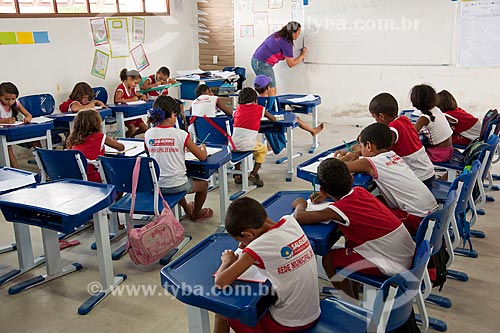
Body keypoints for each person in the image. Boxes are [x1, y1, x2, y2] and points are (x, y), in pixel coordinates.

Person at [292, 158, 415, 299]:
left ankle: (350, 300)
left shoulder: (338, 209)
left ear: (322, 190)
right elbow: (349, 204)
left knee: (329, 259)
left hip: (393, 263)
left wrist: (300, 203)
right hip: (405, 253)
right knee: (350, 243)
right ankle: (354, 288)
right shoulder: (359, 191)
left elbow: (300, 217)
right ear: (351, 178)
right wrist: (327, 195)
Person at [214, 197, 320, 333]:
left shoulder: (259, 246)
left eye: (239, 239)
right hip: (312, 312)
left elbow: (221, 282)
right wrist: (248, 243)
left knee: (222, 313)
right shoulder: (290, 221)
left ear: (247, 234)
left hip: (288, 324)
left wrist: (227, 261)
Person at [333, 123, 437, 235]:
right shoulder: (393, 156)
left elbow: (335, 167)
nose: (361, 150)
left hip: (418, 220)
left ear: (368, 146)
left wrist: (348, 156)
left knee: (364, 218)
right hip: (430, 213)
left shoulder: (371, 163)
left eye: (361, 146)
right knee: (376, 200)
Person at [144, 95, 213, 222]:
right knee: (203, 184)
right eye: (175, 116)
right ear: (171, 114)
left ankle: (188, 211)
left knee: (176, 178)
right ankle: (196, 213)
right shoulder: (181, 134)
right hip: (177, 184)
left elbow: (150, 154)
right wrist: (202, 148)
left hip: (157, 184)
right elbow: (202, 157)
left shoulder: (148, 134)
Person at [232, 87, 277, 187]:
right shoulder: (259, 109)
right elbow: (273, 119)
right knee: (262, 149)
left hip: (232, 144)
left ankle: (237, 174)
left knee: (238, 150)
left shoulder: (237, 110)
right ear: (255, 100)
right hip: (247, 144)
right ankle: (254, 174)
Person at [254, 75, 323, 136]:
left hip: (260, 124)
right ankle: (313, 131)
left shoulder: (254, 101)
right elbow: (277, 111)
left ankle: (313, 131)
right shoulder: (272, 100)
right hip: (274, 124)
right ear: (268, 88)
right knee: (296, 118)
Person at [66, 109, 124, 182]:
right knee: (120, 178)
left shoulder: (72, 138)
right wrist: (114, 141)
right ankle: (114, 193)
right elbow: (121, 148)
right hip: (93, 175)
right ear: (97, 123)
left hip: (76, 175)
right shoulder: (100, 136)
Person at [251, 21, 307, 96]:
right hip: (262, 63)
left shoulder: (278, 35)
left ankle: (265, 107)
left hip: (256, 60)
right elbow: (291, 64)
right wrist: (302, 55)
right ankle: (270, 107)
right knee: (271, 88)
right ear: (293, 32)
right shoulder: (286, 43)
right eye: (298, 32)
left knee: (264, 88)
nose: (299, 35)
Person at [411, 84, 453, 163]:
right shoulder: (436, 109)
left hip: (439, 154)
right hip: (449, 149)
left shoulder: (424, 118)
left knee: (412, 157)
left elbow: (411, 132)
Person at [0, 82, 34, 168]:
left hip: (11, 131)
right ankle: (17, 172)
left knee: (35, 140)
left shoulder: (16, 103)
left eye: (13, 99)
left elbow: (28, 114)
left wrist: (27, 118)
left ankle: (45, 168)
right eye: (7, 99)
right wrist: (5, 120)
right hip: (2, 134)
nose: (10, 102)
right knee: (8, 150)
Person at [114, 68, 148, 138]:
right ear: (129, 79)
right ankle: (127, 137)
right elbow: (117, 100)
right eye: (135, 83)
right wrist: (131, 99)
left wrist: (142, 96)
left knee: (145, 128)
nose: (136, 85)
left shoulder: (132, 87)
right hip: (125, 113)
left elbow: (136, 94)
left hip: (133, 113)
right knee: (132, 129)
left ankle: (132, 136)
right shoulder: (121, 88)